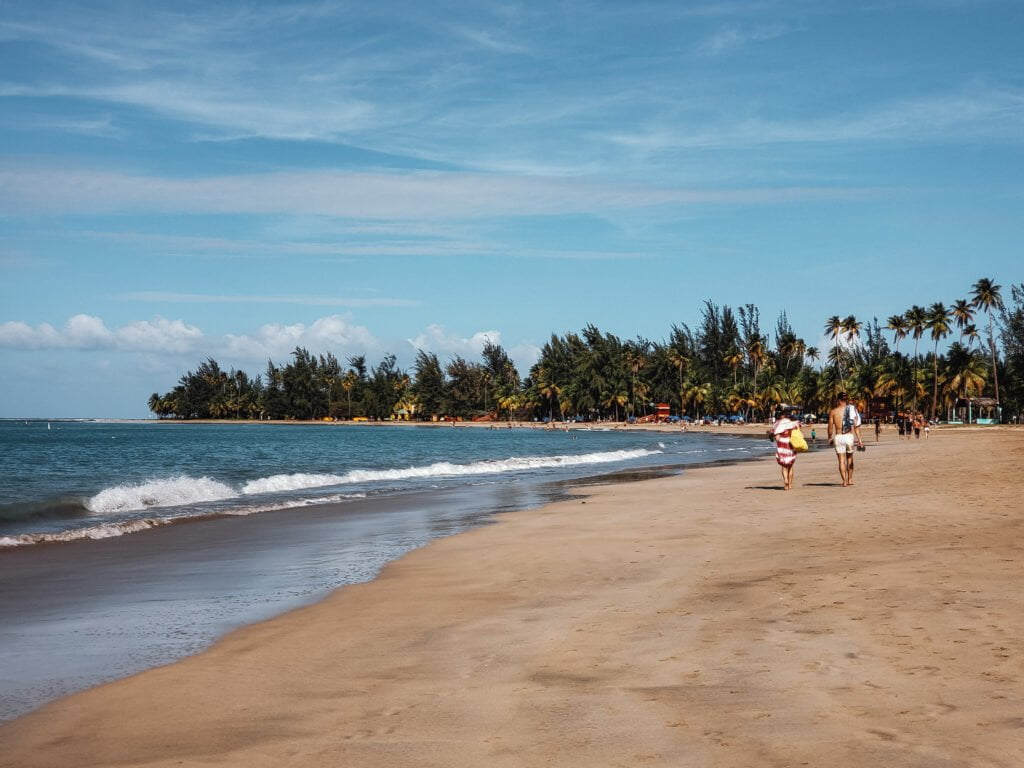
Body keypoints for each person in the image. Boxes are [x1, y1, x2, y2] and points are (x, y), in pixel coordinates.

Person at [827, 392, 864, 487]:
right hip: (848, 436)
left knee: (841, 460)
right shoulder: (852, 410)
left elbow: (830, 427)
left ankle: (844, 481)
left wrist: (829, 437)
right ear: (846, 399)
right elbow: (856, 426)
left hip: (839, 436)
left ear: (838, 400)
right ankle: (850, 479)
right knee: (850, 458)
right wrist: (860, 440)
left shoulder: (834, 412)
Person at [772, 406, 801, 491]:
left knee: (783, 466)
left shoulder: (779, 423)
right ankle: (790, 484)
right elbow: (798, 432)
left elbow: (776, 437)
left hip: (782, 444)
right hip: (791, 444)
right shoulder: (794, 423)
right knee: (790, 466)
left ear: (783, 414)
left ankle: (785, 481)